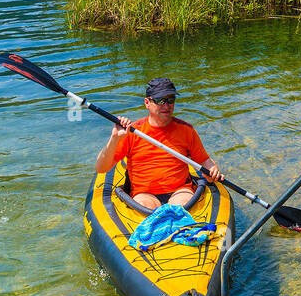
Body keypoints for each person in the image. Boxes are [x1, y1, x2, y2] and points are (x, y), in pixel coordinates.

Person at [94, 76, 219, 211]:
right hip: (144, 194)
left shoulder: (186, 130)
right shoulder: (133, 132)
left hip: (180, 191)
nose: (166, 105)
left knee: (179, 208)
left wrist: (212, 169)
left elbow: (204, 160)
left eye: (170, 100)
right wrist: (114, 138)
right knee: (146, 206)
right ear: (147, 103)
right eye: (160, 100)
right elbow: (101, 168)